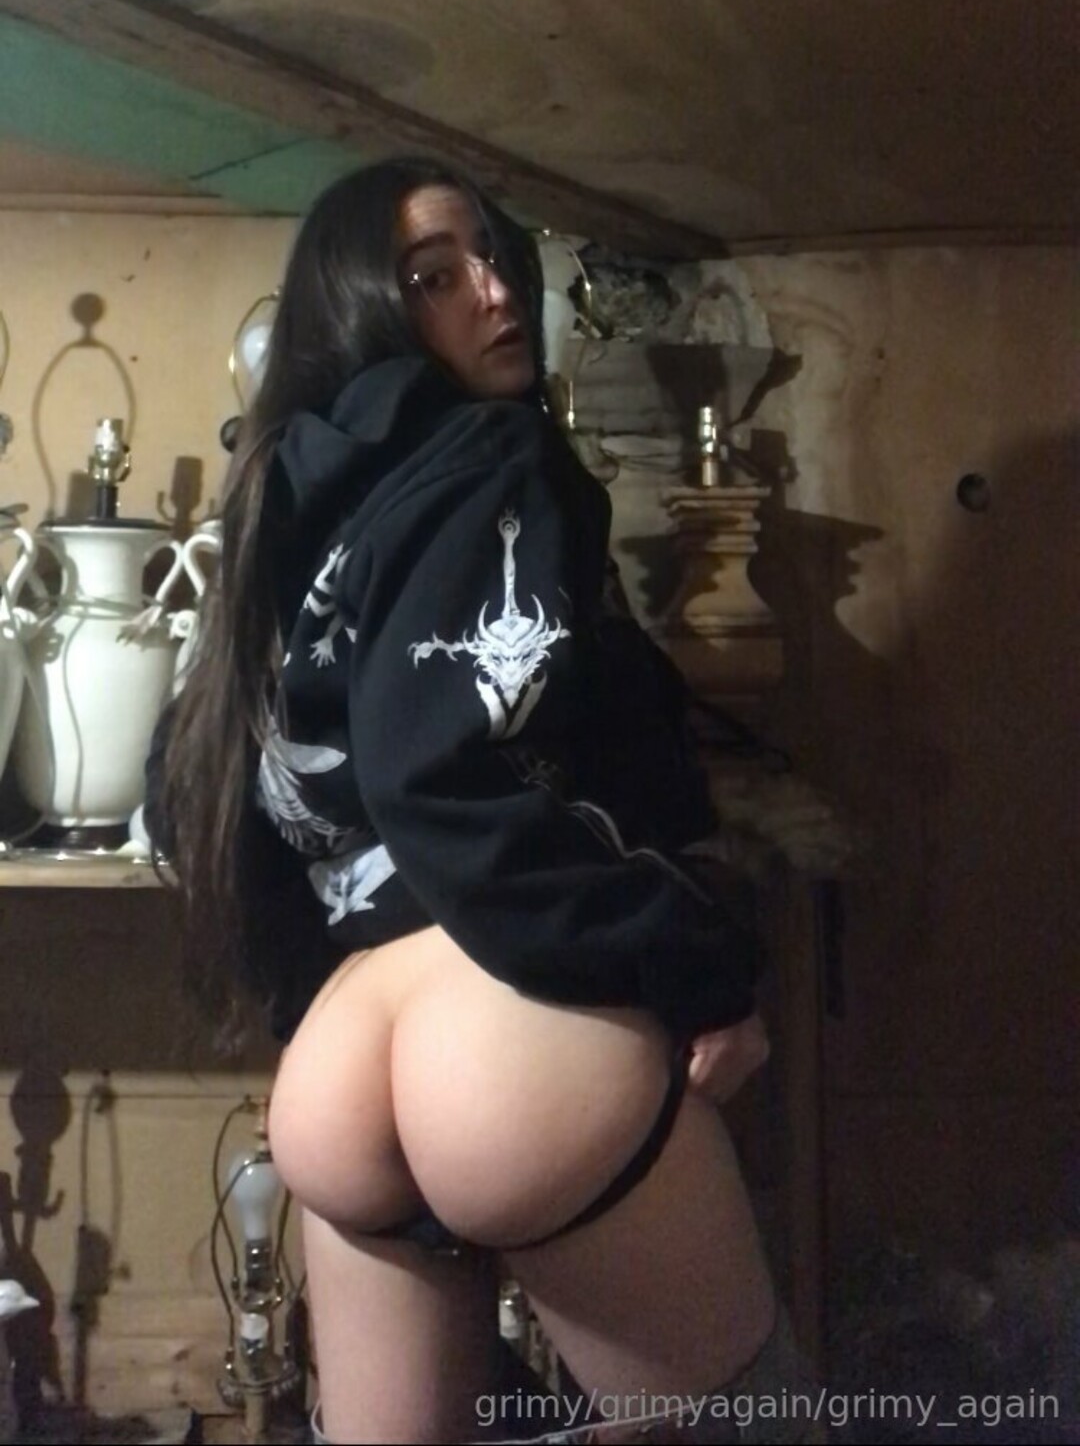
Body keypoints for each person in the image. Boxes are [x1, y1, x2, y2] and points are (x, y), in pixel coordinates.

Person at [147, 157, 811, 1445]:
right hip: (507, 1028)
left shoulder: (279, 502)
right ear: (362, 309)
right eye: (433, 278)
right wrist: (702, 962)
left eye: (494, 257)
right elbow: (447, 773)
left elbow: (195, 799)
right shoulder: (492, 454)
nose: (497, 293)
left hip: (340, 1061)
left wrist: (313, 999)